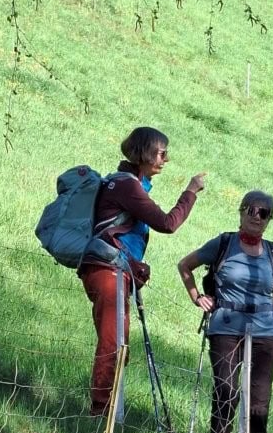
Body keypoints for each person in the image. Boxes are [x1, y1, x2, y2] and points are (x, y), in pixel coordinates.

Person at [78, 126, 206, 416]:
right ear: (145, 154)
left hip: (111, 269)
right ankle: (101, 412)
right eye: (161, 153)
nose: (165, 159)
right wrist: (190, 192)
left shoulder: (127, 183)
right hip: (109, 271)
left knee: (117, 342)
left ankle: (110, 411)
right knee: (113, 343)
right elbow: (167, 223)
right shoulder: (128, 186)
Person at [177, 191, 273, 433]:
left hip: (266, 331)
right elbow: (185, 265)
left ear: (269, 219)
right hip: (226, 326)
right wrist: (197, 297)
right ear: (241, 212)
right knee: (227, 390)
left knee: (259, 401)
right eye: (251, 210)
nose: (256, 217)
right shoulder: (224, 243)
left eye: (264, 213)